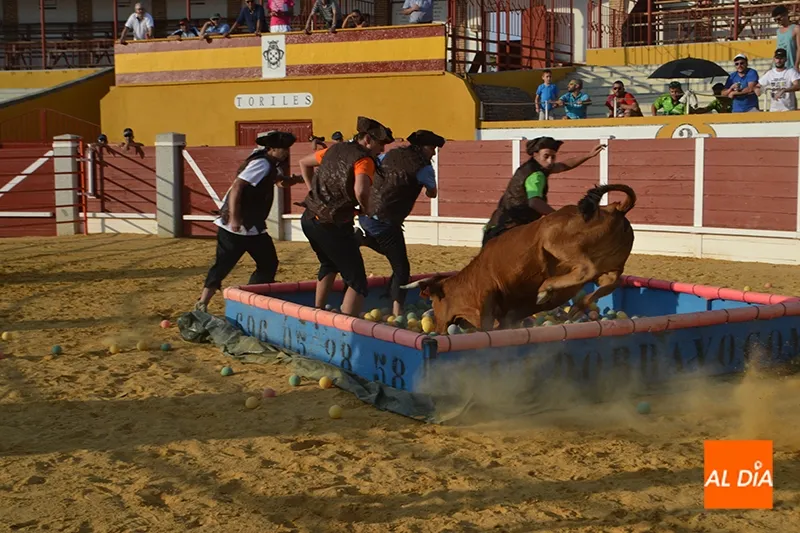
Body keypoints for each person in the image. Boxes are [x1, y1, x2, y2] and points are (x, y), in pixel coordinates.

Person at [296, 116, 393, 317]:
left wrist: (312, 192)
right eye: (380, 143)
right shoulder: (364, 159)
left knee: (329, 264)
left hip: (309, 218)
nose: (382, 149)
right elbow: (361, 190)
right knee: (357, 281)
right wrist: (365, 208)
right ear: (367, 139)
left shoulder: (333, 150)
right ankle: (348, 327)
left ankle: (318, 312)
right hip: (331, 225)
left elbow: (304, 163)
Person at [195, 131, 301, 312]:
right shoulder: (261, 163)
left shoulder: (271, 164)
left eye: (287, 149)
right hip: (235, 228)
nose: (286, 153)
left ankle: (253, 299)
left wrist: (294, 180)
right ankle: (202, 303)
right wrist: (235, 217)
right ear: (272, 149)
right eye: (282, 149)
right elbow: (237, 187)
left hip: (254, 228)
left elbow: (278, 182)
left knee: (268, 263)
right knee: (223, 266)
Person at [357, 130, 444, 317]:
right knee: (402, 269)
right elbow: (432, 193)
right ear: (421, 148)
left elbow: (372, 169)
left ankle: (364, 240)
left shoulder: (390, 153)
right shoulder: (424, 168)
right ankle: (397, 312)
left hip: (366, 214)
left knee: (392, 252)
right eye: (431, 148)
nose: (434, 153)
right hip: (386, 222)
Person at [482, 137, 605, 246]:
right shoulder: (536, 175)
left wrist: (588, 155)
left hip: (498, 224)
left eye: (553, 157)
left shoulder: (533, 166)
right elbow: (534, 202)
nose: (550, 161)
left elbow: (564, 165)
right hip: (510, 230)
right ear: (535, 154)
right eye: (546, 156)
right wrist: (559, 216)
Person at [757, 48, 800, 112]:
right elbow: (757, 85)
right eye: (777, 58)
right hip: (774, 110)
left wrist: (784, 90)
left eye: (781, 58)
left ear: (785, 59)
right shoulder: (770, 73)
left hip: (788, 110)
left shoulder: (791, 72)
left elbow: (798, 85)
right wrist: (757, 90)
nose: (778, 61)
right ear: (774, 59)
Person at [773, 5, 800, 71]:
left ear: (785, 15)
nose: (777, 21)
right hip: (778, 66)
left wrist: (796, 65)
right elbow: (778, 48)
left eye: (779, 19)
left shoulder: (796, 29)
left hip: (791, 66)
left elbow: (799, 48)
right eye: (775, 20)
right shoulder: (778, 31)